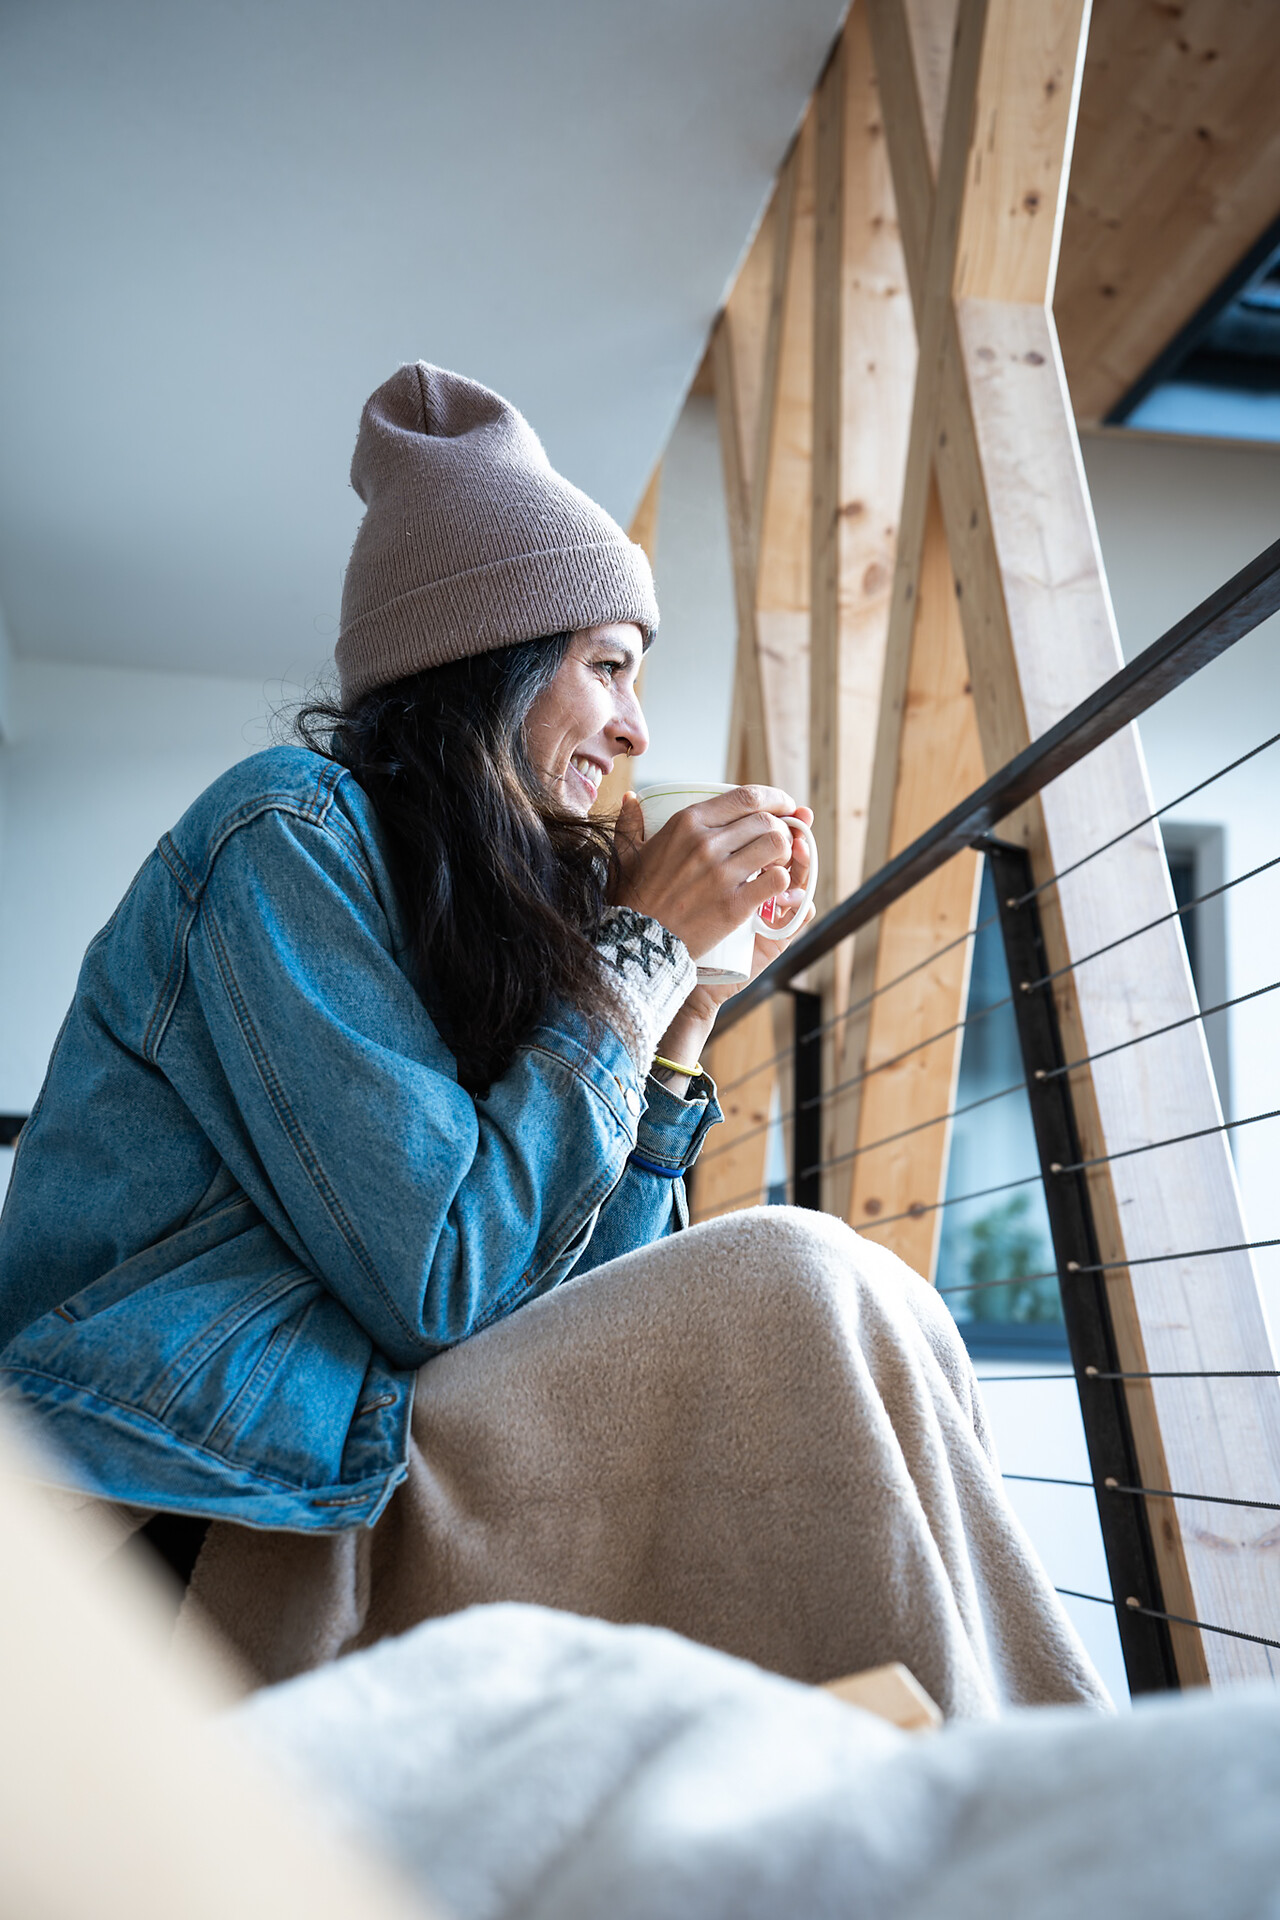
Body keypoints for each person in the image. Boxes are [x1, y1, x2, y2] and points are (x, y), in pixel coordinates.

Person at [0, 364, 1106, 1716]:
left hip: (365, 1450)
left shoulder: (472, 916)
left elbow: (588, 1314)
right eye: (611, 668)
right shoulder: (281, 834)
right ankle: (1008, 1800)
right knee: (797, 1274)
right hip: (197, 1500)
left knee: (898, 1326)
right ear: (490, 660)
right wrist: (631, 962)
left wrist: (681, 1019)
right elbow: (444, 1281)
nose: (639, 728)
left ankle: (993, 1779)